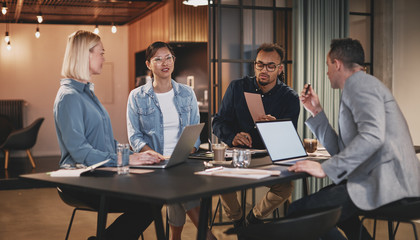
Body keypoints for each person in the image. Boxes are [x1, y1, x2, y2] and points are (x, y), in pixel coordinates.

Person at [288, 38, 420, 240]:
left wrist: (324, 168)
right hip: (386, 183)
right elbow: (343, 151)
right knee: (334, 213)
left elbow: (372, 136)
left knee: (299, 211)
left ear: (337, 64)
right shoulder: (363, 85)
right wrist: (316, 112)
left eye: (327, 66)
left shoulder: (359, 84)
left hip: (389, 186)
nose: (327, 72)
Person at [54, 30, 165, 240]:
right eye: (101, 53)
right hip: (82, 182)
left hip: (102, 175)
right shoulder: (68, 97)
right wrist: (125, 159)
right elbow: (80, 151)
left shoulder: (87, 93)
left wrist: (135, 156)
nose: (104, 58)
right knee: (151, 201)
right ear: (85, 55)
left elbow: (106, 142)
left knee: (154, 194)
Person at [126, 41, 216, 240]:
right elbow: (135, 137)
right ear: (149, 64)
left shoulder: (187, 93)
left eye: (168, 57)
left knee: (177, 178)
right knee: (178, 183)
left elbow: (194, 133)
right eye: (158, 59)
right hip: (153, 164)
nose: (164, 62)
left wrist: (185, 153)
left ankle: (176, 237)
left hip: (182, 161)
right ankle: (207, 235)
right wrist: (155, 155)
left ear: (174, 61)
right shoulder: (137, 96)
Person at [212, 43, 300, 231]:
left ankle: (253, 220)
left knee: (285, 188)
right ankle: (238, 221)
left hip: (268, 157)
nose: (264, 70)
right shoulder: (237, 87)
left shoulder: (289, 97)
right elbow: (218, 122)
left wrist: (275, 127)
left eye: (270, 66)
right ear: (255, 65)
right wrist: (233, 136)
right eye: (260, 64)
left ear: (280, 69)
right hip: (236, 155)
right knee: (219, 180)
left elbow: (289, 139)